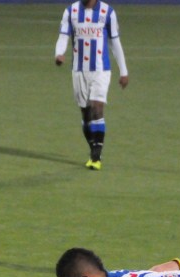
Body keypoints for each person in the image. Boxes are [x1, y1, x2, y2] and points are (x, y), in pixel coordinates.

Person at [55, 0, 129, 171]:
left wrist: (123, 71)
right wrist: (59, 53)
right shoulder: (71, 11)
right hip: (79, 70)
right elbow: (63, 36)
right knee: (86, 114)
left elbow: (114, 42)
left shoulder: (108, 12)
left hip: (101, 70)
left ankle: (96, 155)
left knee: (97, 108)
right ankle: (94, 148)